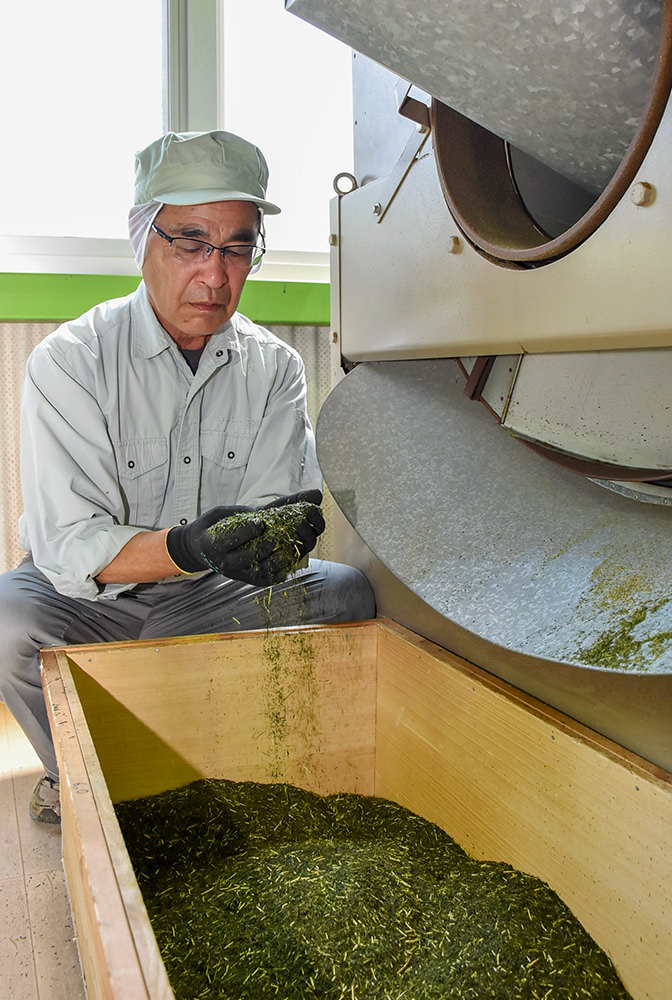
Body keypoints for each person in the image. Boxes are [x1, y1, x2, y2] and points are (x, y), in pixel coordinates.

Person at [0, 130, 375, 825]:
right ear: (143, 238)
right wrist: (187, 547)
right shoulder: (70, 362)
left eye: (237, 247)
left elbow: (259, 521)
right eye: (191, 242)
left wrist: (279, 538)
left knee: (346, 593)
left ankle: (215, 764)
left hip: (210, 600)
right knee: (9, 619)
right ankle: (78, 775)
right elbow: (68, 546)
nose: (215, 273)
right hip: (96, 599)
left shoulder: (274, 369)